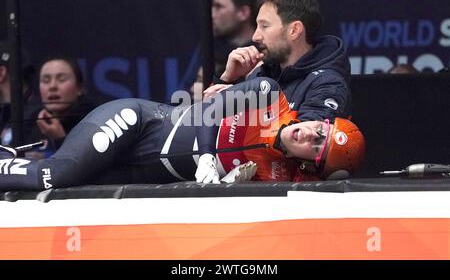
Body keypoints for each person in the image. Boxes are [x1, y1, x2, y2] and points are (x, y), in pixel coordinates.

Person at [0, 77, 365, 191]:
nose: (309, 135)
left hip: (142, 172)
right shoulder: (270, 93)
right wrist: (208, 155)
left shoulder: (282, 180)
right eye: (320, 129)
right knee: (53, 175)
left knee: (69, 190)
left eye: (318, 147)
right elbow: (210, 111)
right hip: (139, 123)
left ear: (311, 167)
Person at [205, 0, 352, 123]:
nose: (255, 36)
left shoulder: (328, 83)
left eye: (264, 26)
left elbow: (304, 142)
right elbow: (210, 127)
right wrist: (228, 79)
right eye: (257, 26)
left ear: (294, 30)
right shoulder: (261, 74)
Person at [22, 57, 98, 157]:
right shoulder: (31, 122)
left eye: (61, 79)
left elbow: (88, 168)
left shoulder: (95, 121)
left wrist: (59, 139)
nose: (52, 86)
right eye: (46, 80)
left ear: (79, 87)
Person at [211, 0, 266, 78]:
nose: (212, 14)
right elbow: (186, 90)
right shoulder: (209, 48)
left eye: (219, 7)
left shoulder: (264, 55)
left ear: (243, 12)